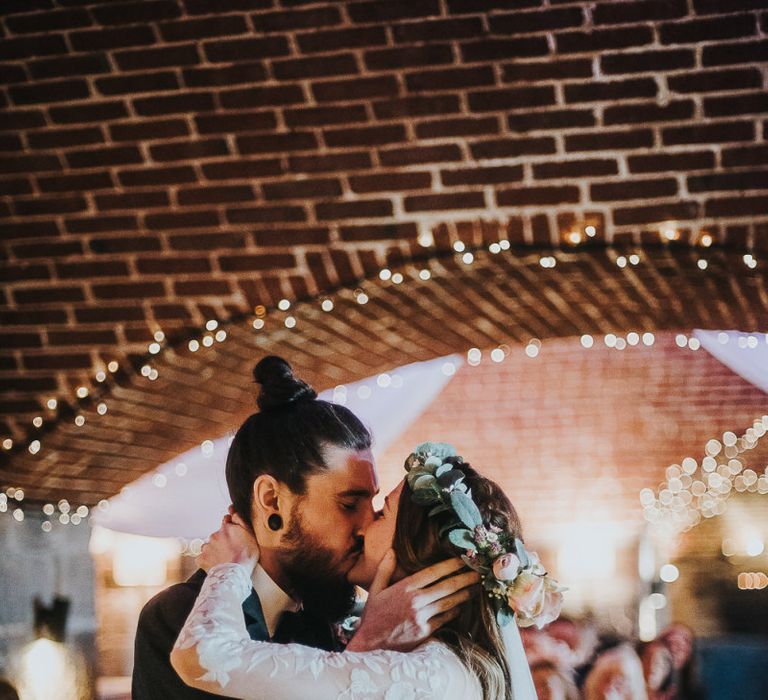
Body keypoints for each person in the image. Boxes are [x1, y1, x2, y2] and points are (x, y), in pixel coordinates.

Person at [133, 358, 473, 699]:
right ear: (272, 501)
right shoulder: (178, 618)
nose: (367, 524)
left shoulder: (330, 614)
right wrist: (369, 644)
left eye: (373, 504)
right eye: (349, 504)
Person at [171, 441, 565, 699]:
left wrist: (230, 568)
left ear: (412, 549)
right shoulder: (457, 665)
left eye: (381, 513)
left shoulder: (428, 675)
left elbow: (203, 656)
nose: (363, 525)